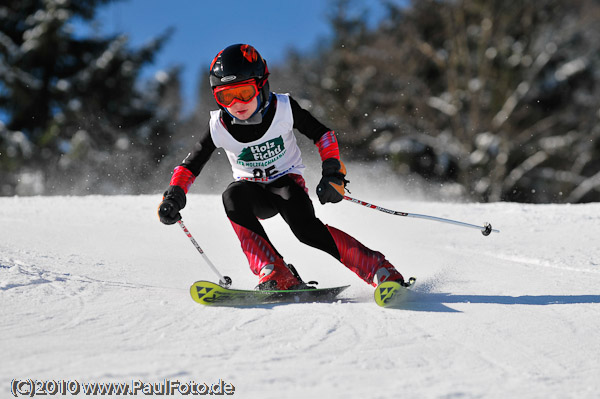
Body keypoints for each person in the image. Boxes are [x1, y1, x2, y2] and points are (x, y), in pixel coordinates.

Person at [158, 43, 405, 290]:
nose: (236, 103)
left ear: (262, 86)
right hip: (252, 193)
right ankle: (274, 271)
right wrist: (174, 196)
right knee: (232, 196)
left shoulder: (283, 109)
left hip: (286, 185)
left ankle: (378, 268)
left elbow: (323, 134)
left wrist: (333, 172)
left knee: (306, 230)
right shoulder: (219, 126)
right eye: (225, 96)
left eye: (244, 92)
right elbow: (190, 166)